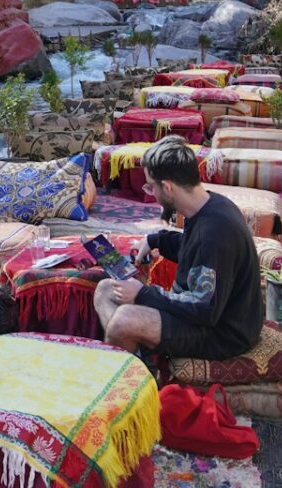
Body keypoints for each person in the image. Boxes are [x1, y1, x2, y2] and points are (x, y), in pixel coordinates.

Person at [93, 137, 262, 363]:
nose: (150, 192)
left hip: (223, 333)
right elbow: (192, 249)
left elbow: (204, 309)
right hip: (202, 312)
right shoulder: (209, 205)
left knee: (123, 321)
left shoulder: (213, 232)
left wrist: (142, 294)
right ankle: (136, 360)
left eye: (151, 186)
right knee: (105, 290)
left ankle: (133, 380)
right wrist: (156, 240)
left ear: (168, 187)